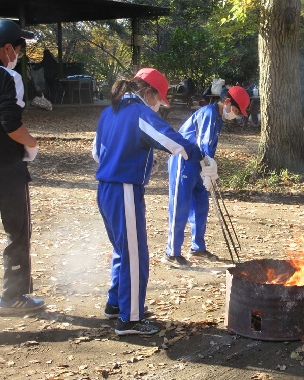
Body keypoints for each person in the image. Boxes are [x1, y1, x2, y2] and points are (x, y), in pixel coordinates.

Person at [92, 68, 216, 335]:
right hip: (124, 189)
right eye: (159, 100)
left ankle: (117, 304)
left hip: (105, 188)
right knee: (136, 255)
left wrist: (143, 163)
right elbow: (174, 143)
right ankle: (131, 319)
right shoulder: (139, 112)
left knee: (122, 250)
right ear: (148, 93)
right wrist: (203, 158)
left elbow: (97, 153)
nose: (159, 107)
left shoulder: (108, 111)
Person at [164, 86, 250, 267]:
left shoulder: (218, 118)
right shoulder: (209, 113)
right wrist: (209, 166)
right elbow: (203, 144)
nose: (234, 114)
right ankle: (172, 253)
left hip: (199, 164)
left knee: (201, 205)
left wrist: (209, 171)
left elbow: (208, 149)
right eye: (235, 110)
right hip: (184, 161)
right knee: (180, 206)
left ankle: (197, 247)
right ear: (227, 102)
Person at [0, 20, 45, 315]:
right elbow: (11, 123)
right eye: (18, 48)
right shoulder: (8, 77)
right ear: (6, 49)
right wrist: (32, 146)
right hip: (7, 169)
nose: (19, 53)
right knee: (17, 231)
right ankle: (13, 296)